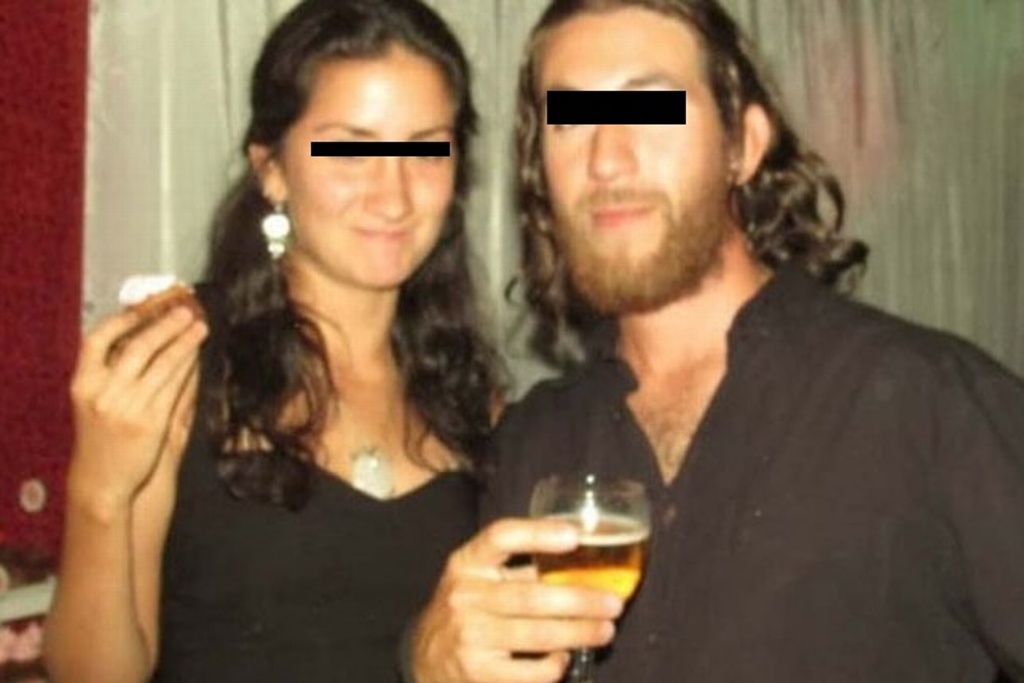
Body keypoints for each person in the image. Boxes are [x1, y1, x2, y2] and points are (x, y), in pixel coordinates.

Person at [405, 1, 1024, 682]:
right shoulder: (533, 443)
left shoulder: (928, 402)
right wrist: (433, 663)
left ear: (743, 145)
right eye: (569, 119)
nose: (607, 158)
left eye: (651, 108)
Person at [44, 1, 501, 681]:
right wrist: (97, 492)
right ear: (272, 168)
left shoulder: (471, 392)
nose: (394, 194)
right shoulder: (178, 358)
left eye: (426, 148)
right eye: (351, 149)